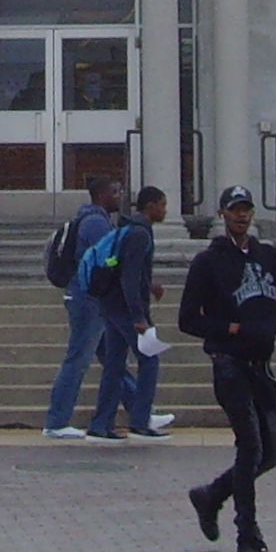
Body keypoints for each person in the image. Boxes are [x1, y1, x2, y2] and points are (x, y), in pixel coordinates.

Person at [177, 184, 276, 552]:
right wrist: (231, 330)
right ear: (223, 214)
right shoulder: (208, 263)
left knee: (272, 451)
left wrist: (266, 327)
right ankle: (248, 537)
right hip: (229, 363)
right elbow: (188, 319)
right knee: (251, 445)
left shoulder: (268, 257)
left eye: (246, 209)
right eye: (234, 209)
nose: (241, 216)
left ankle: (211, 495)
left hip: (262, 364)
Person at [84, 185, 172, 440]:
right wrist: (139, 317)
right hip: (128, 310)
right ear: (151, 205)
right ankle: (140, 421)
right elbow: (129, 278)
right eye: (162, 205)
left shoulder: (128, 229)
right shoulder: (140, 234)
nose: (164, 210)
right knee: (150, 360)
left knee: (114, 365)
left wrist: (150, 285)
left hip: (112, 306)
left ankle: (101, 424)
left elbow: (129, 271)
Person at [40, 173, 122, 438]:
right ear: (102, 195)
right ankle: (56, 421)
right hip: (89, 300)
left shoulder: (87, 219)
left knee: (112, 359)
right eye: (115, 191)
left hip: (87, 297)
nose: (120, 195)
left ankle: (141, 410)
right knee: (78, 359)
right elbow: (106, 261)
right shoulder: (97, 223)